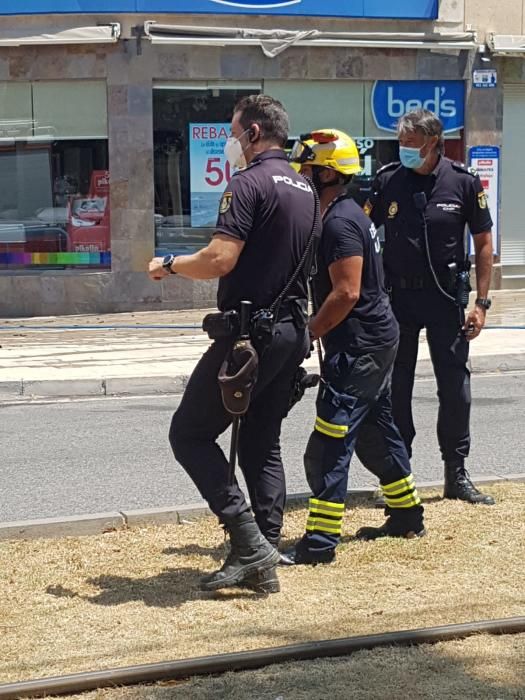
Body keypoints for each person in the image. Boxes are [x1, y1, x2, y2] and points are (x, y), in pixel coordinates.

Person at [148, 95, 318, 591]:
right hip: (290, 332)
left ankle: (248, 543)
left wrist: (171, 265)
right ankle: (264, 557)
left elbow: (221, 258)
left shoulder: (248, 184)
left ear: (254, 132)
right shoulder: (305, 188)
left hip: (250, 337)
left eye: (233, 130)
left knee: (189, 435)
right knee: (262, 443)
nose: (230, 141)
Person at [282, 129, 425, 566]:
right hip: (375, 339)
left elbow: (345, 292)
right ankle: (406, 513)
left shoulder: (342, 221)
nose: (300, 175)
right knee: (377, 432)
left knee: (330, 440)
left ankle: (320, 543)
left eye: (306, 169)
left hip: (360, 344)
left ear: (326, 173)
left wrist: (309, 333)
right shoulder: (342, 213)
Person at [364, 109, 495, 505]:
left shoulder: (463, 182)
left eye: (411, 143)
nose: (404, 149)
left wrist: (482, 304)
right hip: (398, 302)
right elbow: (364, 235)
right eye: (400, 142)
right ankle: (399, 477)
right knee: (395, 390)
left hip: (445, 301)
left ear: (433, 142)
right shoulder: (388, 180)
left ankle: (456, 474)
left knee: (455, 390)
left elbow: (484, 243)